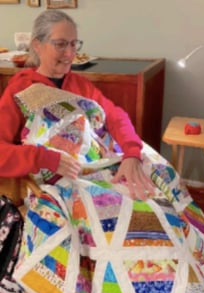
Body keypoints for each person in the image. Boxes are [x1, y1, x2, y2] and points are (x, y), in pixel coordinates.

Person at [0, 9, 155, 201]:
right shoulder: (21, 91)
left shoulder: (81, 85)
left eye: (74, 44)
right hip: (56, 182)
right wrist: (43, 158)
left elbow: (115, 115)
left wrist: (132, 153)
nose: (70, 53)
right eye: (61, 44)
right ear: (37, 45)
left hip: (92, 168)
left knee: (151, 183)